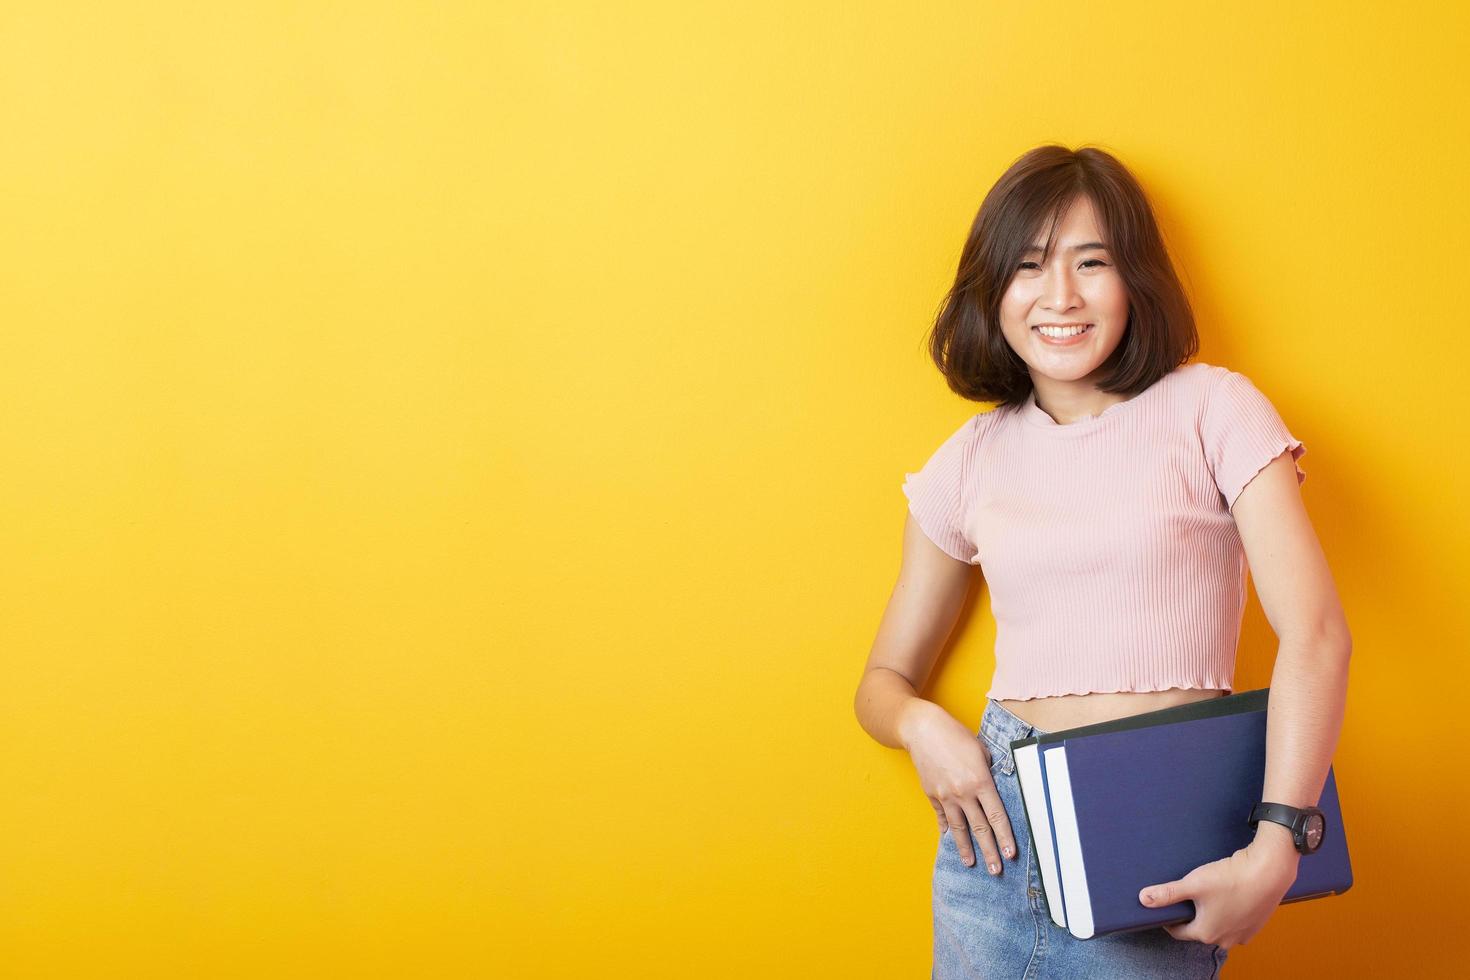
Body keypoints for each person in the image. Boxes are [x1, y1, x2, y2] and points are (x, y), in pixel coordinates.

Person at [852, 144, 1352, 979]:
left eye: (1093, 263)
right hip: (993, 846)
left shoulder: (1213, 408)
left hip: (1156, 833)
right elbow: (881, 681)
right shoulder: (969, 458)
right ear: (993, 291)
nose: (1061, 298)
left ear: (1136, 281)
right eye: (1028, 267)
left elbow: (1317, 635)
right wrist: (920, 726)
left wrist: (1279, 842)